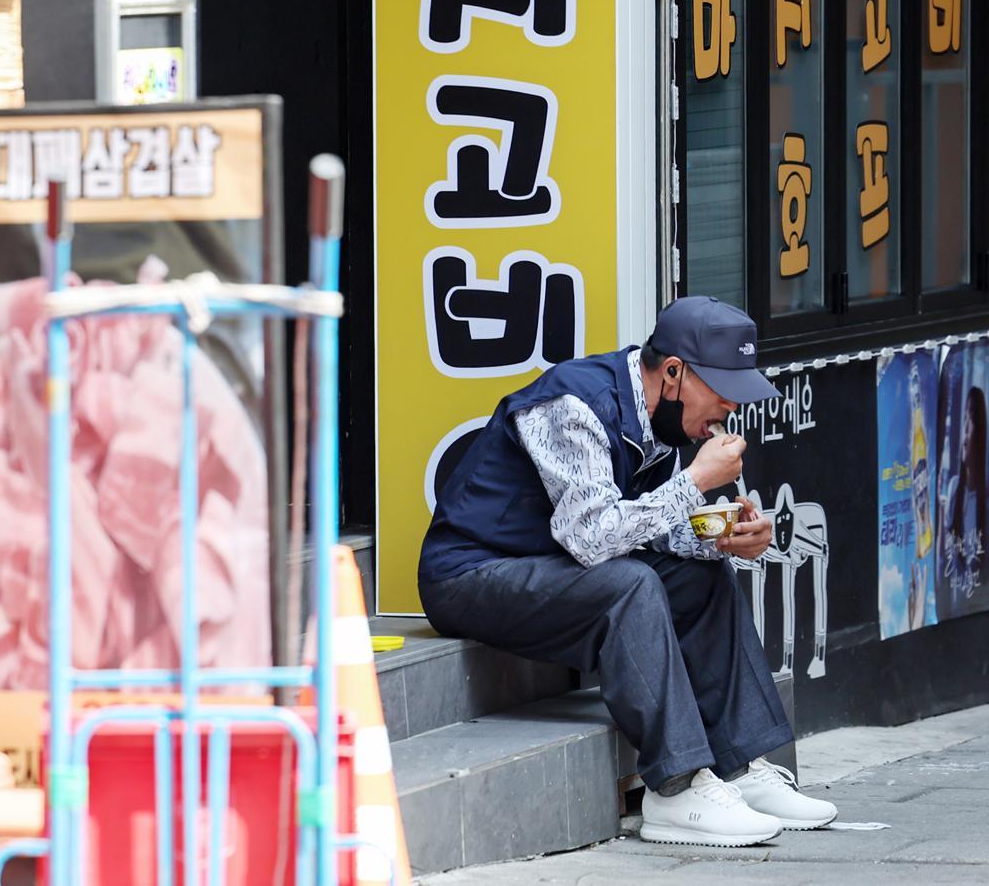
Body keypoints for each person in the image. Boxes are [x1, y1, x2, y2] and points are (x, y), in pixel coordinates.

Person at [418, 296, 838, 846]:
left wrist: (723, 540)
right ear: (673, 373)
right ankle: (676, 788)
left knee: (703, 577)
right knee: (630, 585)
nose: (731, 407)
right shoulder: (574, 405)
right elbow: (593, 539)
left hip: (552, 565)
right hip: (472, 574)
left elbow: (649, 529)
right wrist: (694, 481)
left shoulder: (664, 420)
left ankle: (740, 767)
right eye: (722, 390)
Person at [938, 385, 987, 619]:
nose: (966, 426)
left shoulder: (985, 500)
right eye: (965, 417)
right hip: (951, 614)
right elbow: (944, 559)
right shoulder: (954, 487)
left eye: (972, 418)